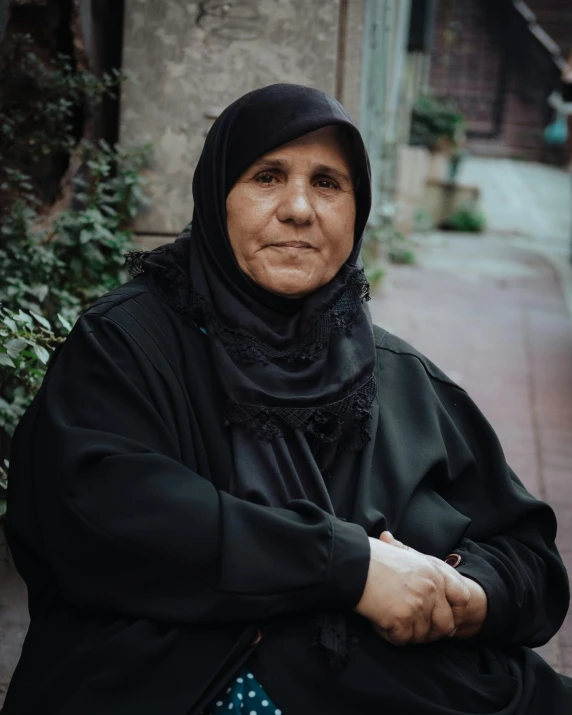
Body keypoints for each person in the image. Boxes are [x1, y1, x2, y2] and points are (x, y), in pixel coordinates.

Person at [3, 84, 572, 715]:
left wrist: (468, 594)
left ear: (357, 210)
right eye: (268, 176)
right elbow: (111, 516)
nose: (299, 208)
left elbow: (528, 559)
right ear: (218, 196)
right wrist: (350, 568)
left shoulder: (399, 377)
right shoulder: (126, 347)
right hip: (176, 682)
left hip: (383, 680)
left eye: (328, 183)